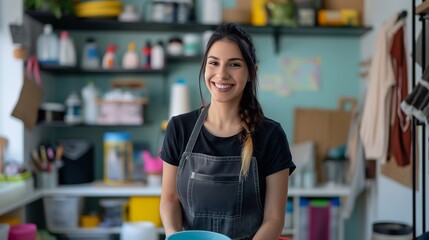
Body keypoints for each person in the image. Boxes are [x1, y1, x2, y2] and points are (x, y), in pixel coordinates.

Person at [160, 23, 295, 240]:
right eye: (214, 63)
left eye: (234, 65)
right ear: (205, 67)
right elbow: (169, 199)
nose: (221, 74)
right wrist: (173, 234)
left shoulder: (271, 135)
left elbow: (274, 218)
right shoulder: (179, 128)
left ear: (252, 73)